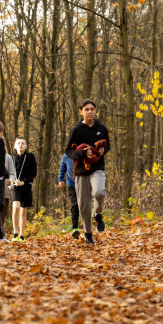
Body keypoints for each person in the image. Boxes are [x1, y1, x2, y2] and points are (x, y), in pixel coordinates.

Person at [65, 98, 110, 245]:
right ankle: (89, 234)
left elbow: (107, 145)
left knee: (99, 192)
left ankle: (98, 214)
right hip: (80, 171)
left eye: (92, 109)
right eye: (86, 109)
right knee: (83, 205)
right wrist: (83, 154)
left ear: (95, 110)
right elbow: (68, 151)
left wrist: (104, 150)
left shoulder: (101, 128)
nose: (90, 111)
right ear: (80, 112)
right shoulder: (76, 130)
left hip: (97, 168)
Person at [11, 137, 37, 241]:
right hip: (15, 186)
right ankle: (15, 233)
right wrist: (14, 181)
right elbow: (8, 172)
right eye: (18, 143)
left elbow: (33, 172)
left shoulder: (30, 156)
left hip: (26, 186)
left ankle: (22, 235)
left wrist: (23, 182)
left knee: (23, 211)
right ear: (15, 146)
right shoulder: (10, 157)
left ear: (26, 146)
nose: (20, 145)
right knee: (16, 207)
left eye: (23, 143)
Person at [58, 154, 80, 238]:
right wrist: (60, 179)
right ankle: (75, 228)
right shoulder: (66, 155)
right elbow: (62, 167)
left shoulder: (84, 151)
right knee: (75, 204)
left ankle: (88, 228)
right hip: (72, 185)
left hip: (83, 184)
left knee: (84, 206)